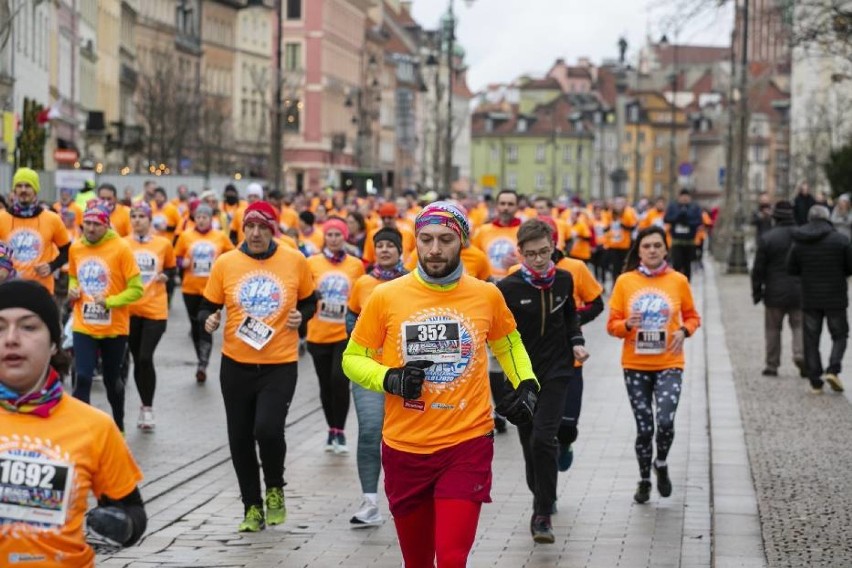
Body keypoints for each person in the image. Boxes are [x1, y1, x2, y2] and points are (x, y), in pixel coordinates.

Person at [342, 201, 539, 567]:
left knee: (450, 558)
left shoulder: (486, 294)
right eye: (426, 239)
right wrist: (390, 377)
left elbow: (508, 343)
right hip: (405, 447)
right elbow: (352, 359)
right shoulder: (386, 296)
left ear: (462, 241)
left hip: (466, 443)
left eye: (446, 239)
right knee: (417, 562)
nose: (434, 249)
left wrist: (526, 383)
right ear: (414, 242)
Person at [0, 280, 147, 566]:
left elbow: (133, 510)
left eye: (28, 327)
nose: (11, 338)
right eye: (0, 326)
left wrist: (122, 524)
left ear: (55, 342)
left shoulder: (95, 426)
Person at [200, 200, 316, 532]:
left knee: (266, 428)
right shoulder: (226, 263)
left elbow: (309, 300)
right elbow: (207, 306)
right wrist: (207, 320)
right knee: (239, 438)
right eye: (249, 226)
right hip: (235, 364)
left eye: (262, 227)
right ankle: (252, 507)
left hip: (279, 363)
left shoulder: (294, 260)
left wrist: (301, 316)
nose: (255, 233)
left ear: (273, 229)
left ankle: (275, 487)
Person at [496, 218, 589, 543]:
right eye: (532, 254)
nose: (539, 259)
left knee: (543, 439)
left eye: (545, 252)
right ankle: (543, 493)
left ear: (553, 248)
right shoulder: (507, 288)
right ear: (520, 253)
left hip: (558, 372)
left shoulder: (563, 279)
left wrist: (576, 340)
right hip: (521, 377)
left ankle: (542, 515)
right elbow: (494, 328)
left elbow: (569, 315)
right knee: (528, 443)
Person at [607, 226, 701, 504]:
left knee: (666, 422)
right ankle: (645, 479)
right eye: (646, 246)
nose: (652, 250)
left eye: (657, 246)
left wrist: (684, 331)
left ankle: (661, 463)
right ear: (639, 250)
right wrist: (626, 325)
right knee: (645, 427)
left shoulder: (679, 281)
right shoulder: (625, 282)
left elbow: (693, 316)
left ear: (665, 249)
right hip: (635, 364)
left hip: (670, 362)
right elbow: (612, 325)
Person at [345, 227, 408, 528]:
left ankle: (406, 498)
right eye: (379, 245)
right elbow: (350, 317)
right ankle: (369, 502)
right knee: (371, 431)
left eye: (390, 246)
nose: (384, 250)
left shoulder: (414, 283)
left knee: (404, 439)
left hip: (407, 375)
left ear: (400, 250)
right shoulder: (362, 283)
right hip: (370, 372)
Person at [68, 201, 144, 431]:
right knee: (82, 377)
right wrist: (73, 289)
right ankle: (83, 429)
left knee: (112, 381)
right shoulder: (76, 248)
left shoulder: (121, 248)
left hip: (114, 328)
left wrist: (110, 301)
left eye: (96, 224)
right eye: (87, 224)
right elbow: (73, 276)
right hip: (84, 324)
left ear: (106, 225)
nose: (90, 229)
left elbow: (137, 289)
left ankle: (119, 424)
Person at [306, 217, 365, 453]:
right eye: (329, 235)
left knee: (339, 381)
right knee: (325, 385)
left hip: (344, 333)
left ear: (345, 237)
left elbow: (359, 296)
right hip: (317, 333)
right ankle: (331, 429)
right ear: (324, 238)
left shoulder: (355, 265)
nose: (333, 239)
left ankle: (340, 432)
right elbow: (305, 294)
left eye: (337, 235)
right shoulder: (312, 263)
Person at [788, 205, 852, 393]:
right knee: (840, 335)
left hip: (810, 297)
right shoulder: (841, 240)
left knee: (811, 339)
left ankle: (815, 380)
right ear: (827, 219)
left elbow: (791, 268)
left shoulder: (799, 241)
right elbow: (850, 266)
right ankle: (833, 369)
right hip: (835, 297)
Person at [125, 202, 177, 429]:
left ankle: (148, 409)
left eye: (141, 216)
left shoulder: (163, 244)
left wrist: (166, 276)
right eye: (133, 216)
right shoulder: (122, 244)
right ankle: (144, 407)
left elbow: (173, 268)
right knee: (138, 360)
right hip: (130, 310)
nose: (137, 220)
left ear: (149, 219)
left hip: (155, 310)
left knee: (145, 357)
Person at [174, 203, 234, 382]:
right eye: (198, 217)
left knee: (204, 322)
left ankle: (203, 363)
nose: (201, 220)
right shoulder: (186, 236)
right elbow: (175, 257)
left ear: (211, 219)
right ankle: (200, 357)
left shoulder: (220, 236)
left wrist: (221, 264)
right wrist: (181, 263)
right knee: (195, 326)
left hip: (212, 288)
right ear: (195, 218)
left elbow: (233, 256)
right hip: (190, 287)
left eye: (205, 217)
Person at [750, 201, 804, 377]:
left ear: (775, 217)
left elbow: (758, 269)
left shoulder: (768, 238)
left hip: (774, 290)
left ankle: (772, 365)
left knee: (773, 329)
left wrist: (757, 292)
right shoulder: (802, 236)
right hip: (799, 291)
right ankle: (800, 354)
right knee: (799, 326)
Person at [0, 167, 71, 294]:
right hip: (8, 290)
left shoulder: (52, 218)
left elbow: (67, 250)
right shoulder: (2, 217)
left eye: (28, 186)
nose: (23, 190)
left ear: (35, 190)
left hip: (41, 290)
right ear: (14, 190)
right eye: (19, 186)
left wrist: (51, 266)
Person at [664, 189, 703, 281]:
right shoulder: (673, 206)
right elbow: (667, 219)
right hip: (677, 240)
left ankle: (687, 283)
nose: (684, 199)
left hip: (689, 241)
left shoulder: (694, 207)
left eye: (686, 197)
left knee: (688, 264)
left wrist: (688, 220)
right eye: (683, 197)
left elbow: (699, 221)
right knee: (677, 263)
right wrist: (678, 217)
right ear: (679, 197)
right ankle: (677, 282)